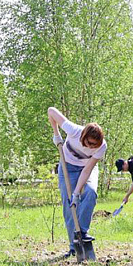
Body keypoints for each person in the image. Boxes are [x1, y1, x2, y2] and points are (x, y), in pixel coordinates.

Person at [49, 107, 107, 258]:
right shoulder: (74, 130)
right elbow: (51, 111)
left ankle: (82, 232)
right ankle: (73, 247)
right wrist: (57, 135)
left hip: (86, 168)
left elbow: (87, 171)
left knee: (90, 193)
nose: (93, 147)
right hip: (67, 166)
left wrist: (76, 193)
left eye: (96, 144)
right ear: (83, 136)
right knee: (69, 206)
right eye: (90, 143)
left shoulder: (102, 147)